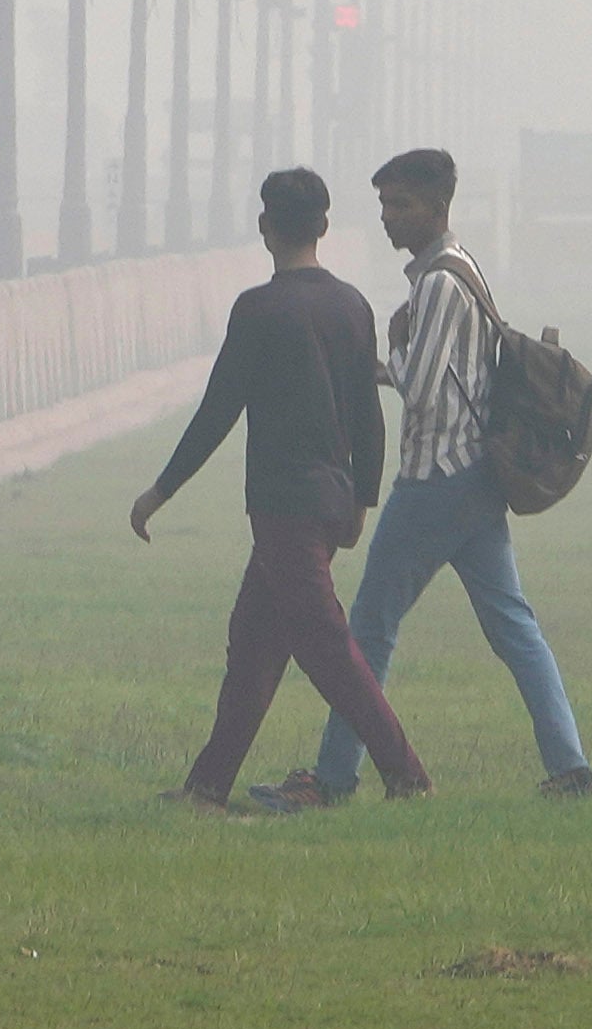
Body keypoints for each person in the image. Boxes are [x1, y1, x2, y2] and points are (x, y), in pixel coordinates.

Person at [260, 148, 592, 808]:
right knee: (513, 626)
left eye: (401, 205)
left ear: (437, 209)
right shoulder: (460, 271)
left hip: (437, 478)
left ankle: (331, 779)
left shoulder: (440, 283)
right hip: (475, 478)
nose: (389, 218)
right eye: (383, 204)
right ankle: (571, 766)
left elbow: (420, 385)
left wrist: (391, 346)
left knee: (368, 632)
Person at [130, 167, 428, 806]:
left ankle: (408, 776)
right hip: (328, 500)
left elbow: (217, 411)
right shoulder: (351, 306)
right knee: (254, 651)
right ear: (323, 227)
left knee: (326, 648)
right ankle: (207, 787)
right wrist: (362, 501)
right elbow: (367, 414)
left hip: (281, 508)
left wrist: (161, 491)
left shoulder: (258, 310)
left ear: (265, 228)